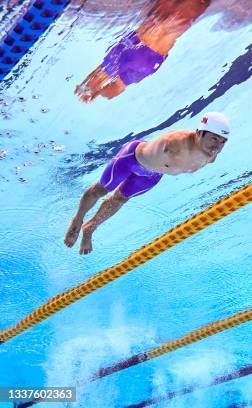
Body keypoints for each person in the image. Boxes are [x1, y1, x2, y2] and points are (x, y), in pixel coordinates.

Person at [64, 112, 229, 255]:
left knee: (119, 200)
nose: (217, 146)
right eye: (214, 138)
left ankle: (90, 228)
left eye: (222, 142)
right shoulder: (175, 143)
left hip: (152, 175)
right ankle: (78, 220)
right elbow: (168, 142)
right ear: (199, 133)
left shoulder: (211, 155)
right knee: (100, 190)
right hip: (131, 159)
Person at [75, 0, 211, 102]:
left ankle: (91, 89)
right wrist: (98, 92)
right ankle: (91, 89)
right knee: (174, 16)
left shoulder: (110, 68)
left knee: (174, 18)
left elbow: (114, 90)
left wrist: (97, 93)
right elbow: (113, 89)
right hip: (140, 51)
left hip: (144, 54)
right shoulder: (109, 67)